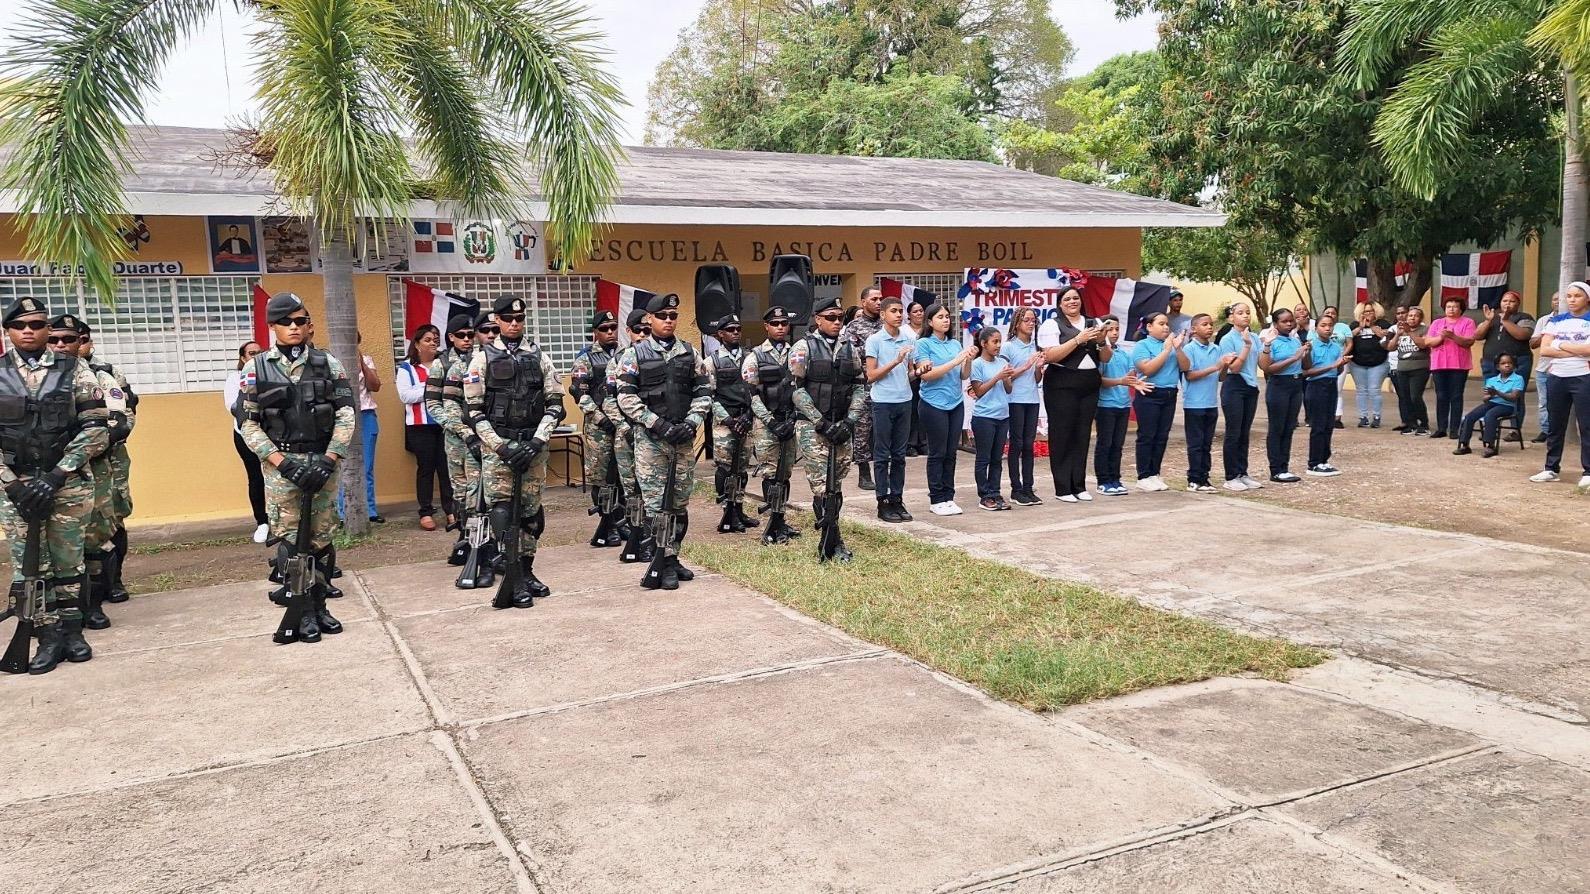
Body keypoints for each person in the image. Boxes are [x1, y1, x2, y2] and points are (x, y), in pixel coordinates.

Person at [239, 293, 355, 644]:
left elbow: (346, 415)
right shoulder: (255, 368)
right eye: (286, 322)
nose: (294, 327)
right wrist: (282, 463)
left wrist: (330, 458)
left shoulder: (328, 363)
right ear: (272, 326)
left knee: (322, 538)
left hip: (322, 463)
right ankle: (300, 609)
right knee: (291, 540)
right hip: (281, 469)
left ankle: (319, 606)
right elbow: (248, 425)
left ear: (308, 325)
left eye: (300, 321)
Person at [0, 298, 109, 673]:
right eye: (20, 325)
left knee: (69, 562)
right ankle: (47, 637)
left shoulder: (74, 369)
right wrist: (12, 484)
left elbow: (96, 429)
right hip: (15, 489)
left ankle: (73, 633)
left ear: (47, 329)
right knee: (32, 567)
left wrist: (56, 475)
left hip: (66, 484)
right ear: (8, 331)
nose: (28, 331)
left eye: (36, 324)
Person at [464, 295, 566, 606]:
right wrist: (501, 447)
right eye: (507, 318)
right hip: (499, 449)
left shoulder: (539, 356)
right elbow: (473, 411)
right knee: (503, 512)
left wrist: (537, 441)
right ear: (496, 320)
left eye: (519, 319)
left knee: (531, 514)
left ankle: (527, 570)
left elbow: (555, 405)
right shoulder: (481, 359)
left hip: (533, 446)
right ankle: (512, 573)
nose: (514, 324)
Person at [615, 293, 712, 589]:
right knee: (657, 505)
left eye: (673, 316)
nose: (668, 321)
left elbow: (704, 391)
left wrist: (691, 422)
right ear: (650, 319)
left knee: (679, 503)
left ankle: (673, 556)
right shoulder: (634, 355)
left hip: (682, 439)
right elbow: (625, 397)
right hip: (651, 441)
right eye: (662, 316)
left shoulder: (689, 353)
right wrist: (656, 423)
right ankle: (662, 558)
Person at [50, 316, 129, 632]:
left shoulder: (102, 376)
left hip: (95, 467)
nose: (61, 345)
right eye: (54, 339)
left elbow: (119, 422)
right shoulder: (34, 377)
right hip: (51, 471)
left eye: (71, 339)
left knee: (97, 535)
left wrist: (82, 448)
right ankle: (58, 611)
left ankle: (94, 603)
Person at [791, 296, 866, 560]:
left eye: (840, 318)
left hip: (842, 425)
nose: (837, 323)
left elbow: (859, 386)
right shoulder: (803, 347)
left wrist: (850, 421)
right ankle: (830, 539)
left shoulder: (849, 348)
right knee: (822, 486)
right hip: (813, 428)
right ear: (818, 319)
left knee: (837, 483)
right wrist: (820, 422)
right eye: (831, 318)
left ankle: (832, 537)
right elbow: (797, 390)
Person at [1038, 286, 1107, 502]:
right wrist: (1078, 339)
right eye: (1067, 299)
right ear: (1060, 304)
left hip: (1089, 383)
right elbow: (1050, 356)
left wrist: (1101, 340)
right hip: (1062, 382)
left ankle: (1079, 485)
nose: (1072, 302)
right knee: (1062, 434)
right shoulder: (1052, 324)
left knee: (1082, 434)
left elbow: (1105, 357)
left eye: (1075, 298)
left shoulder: (1093, 322)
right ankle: (1063, 487)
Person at [427, 314, 486, 562]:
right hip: (455, 439)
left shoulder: (481, 359)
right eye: (461, 335)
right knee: (460, 491)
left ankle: (480, 543)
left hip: (480, 435)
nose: (467, 340)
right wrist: (456, 427)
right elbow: (433, 404)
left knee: (478, 490)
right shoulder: (441, 364)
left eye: (470, 335)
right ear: (451, 337)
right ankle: (464, 539)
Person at [743, 306, 802, 544]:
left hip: (789, 420)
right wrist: (770, 421)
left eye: (784, 323)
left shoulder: (797, 353)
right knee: (770, 471)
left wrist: (793, 418)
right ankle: (773, 521)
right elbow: (751, 395)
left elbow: (802, 388)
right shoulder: (755, 356)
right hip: (766, 424)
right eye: (775, 324)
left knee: (785, 472)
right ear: (766, 326)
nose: (780, 327)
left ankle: (781, 518)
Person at [914, 302, 976, 515]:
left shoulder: (955, 344)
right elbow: (927, 375)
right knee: (937, 452)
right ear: (930, 322)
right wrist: (956, 361)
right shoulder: (923, 344)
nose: (946, 320)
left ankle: (949, 497)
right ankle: (936, 498)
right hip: (933, 404)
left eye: (947, 316)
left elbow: (964, 375)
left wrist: (968, 360)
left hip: (955, 403)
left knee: (951, 452)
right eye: (940, 317)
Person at [571, 310, 625, 547]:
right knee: (601, 478)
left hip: (622, 425)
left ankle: (622, 521)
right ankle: (607, 523)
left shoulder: (626, 354)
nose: (610, 332)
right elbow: (579, 394)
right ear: (595, 332)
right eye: (604, 329)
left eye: (613, 327)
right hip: (599, 428)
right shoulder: (586, 358)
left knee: (623, 476)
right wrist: (601, 419)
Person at [1530, 281, 1590, 488]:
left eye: (1577, 296)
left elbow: (1588, 350)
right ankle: (1551, 468)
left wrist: (1560, 343)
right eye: (1569, 296)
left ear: (1587, 299)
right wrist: (1575, 349)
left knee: (1586, 425)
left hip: (1583, 377)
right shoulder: (1556, 321)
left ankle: (1588, 471)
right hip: (1557, 377)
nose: (1572, 300)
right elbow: (1545, 350)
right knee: (1555, 424)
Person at [864, 296, 917, 523]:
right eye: (894, 311)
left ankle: (897, 498)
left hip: (904, 400)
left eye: (900, 311)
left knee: (899, 455)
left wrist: (920, 371)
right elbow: (871, 375)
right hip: (883, 401)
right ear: (883, 314)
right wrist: (895, 361)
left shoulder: (909, 338)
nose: (898, 315)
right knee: (882, 454)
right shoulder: (875, 340)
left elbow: (910, 372)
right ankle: (882, 501)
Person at [396, 324, 451, 530]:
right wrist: (432, 390)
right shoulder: (407, 368)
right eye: (427, 340)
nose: (433, 343)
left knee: (447, 468)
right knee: (426, 469)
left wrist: (426, 390)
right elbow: (405, 396)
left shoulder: (444, 364)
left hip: (444, 424)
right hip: (420, 426)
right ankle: (426, 512)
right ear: (417, 344)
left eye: (435, 339)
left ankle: (451, 510)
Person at [707, 314, 755, 534]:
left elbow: (755, 390)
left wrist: (749, 416)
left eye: (738, 329)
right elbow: (708, 395)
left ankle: (739, 509)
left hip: (746, 420)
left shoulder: (750, 357)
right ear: (720, 334)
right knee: (725, 468)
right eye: (730, 329)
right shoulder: (712, 361)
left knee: (742, 468)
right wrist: (727, 419)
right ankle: (728, 510)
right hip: (725, 423)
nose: (735, 332)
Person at [611, 309, 653, 562]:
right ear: (628, 331)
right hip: (627, 434)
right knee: (632, 490)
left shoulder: (657, 358)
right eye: (638, 330)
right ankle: (637, 538)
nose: (643, 335)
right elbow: (609, 400)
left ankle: (650, 540)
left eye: (647, 330)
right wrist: (624, 427)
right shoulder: (619, 360)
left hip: (651, 434)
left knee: (652, 491)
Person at [1131, 312, 1186, 492]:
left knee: (1162, 436)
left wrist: (1178, 349)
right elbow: (1148, 369)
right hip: (1150, 394)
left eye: (1167, 324)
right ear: (1149, 327)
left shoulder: (1172, 344)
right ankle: (1143, 475)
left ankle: (1154, 473)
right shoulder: (1142, 345)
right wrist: (1166, 350)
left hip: (1170, 394)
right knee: (1147, 436)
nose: (1166, 327)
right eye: (1161, 324)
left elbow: (1186, 367)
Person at [1094, 316, 1149, 496]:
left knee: (1117, 445)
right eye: (1110, 329)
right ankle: (1103, 481)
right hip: (1105, 405)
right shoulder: (1099, 354)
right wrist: (1120, 381)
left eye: (1117, 329)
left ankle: (1115, 478)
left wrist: (1135, 382)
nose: (1114, 333)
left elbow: (1130, 376)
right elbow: (1098, 380)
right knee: (1105, 444)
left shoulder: (1125, 354)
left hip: (1123, 405)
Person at [839, 286, 884, 491]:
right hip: (863, 386)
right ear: (863, 302)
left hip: (886, 384)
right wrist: (875, 350)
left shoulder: (886, 325)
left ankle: (884, 470)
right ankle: (864, 473)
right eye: (874, 299)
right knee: (863, 430)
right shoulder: (854, 327)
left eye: (880, 299)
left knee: (884, 431)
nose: (878, 302)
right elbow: (850, 354)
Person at [1475, 290, 1535, 439]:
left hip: (1518, 362)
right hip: (1491, 363)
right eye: (1505, 301)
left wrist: (1506, 320)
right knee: (1491, 394)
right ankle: (1491, 429)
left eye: (1512, 301)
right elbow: (1477, 335)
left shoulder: (1524, 317)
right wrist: (1488, 321)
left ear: (1518, 304)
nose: (1507, 304)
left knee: (1516, 395)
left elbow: (1523, 335)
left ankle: (1514, 430)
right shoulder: (1492, 317)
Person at [225, 341, 270, 542]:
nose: (256, 356)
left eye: (260, 353)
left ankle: (282, 519)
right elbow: (234, 407)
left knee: (278, 476)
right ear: (243, 358)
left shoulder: (271, 374)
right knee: (256, 477)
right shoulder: (235, 378)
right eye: (252, 353)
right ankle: (262, 522)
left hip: (273, 434)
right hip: (245, 434)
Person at [338, 330, 383, 523]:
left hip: (366, 415)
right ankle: (343, 512)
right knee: (344, 466)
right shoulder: (333, 361)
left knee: (367, 465)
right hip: (343, 417)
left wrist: (362, 363)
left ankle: (370, 510)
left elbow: (375, 386)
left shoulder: (367, 360)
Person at [1217, 302, 1263, 491]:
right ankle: (1231, 476)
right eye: (1240, 313)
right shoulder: (1227, 339)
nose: (1245, 316)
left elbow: (1262, 363)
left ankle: (1242, 472)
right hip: (1234, 385)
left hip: (1251, 386)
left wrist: (1268, 345)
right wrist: (1246, 346)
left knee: (1245, 432)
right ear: (1231, 317)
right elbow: (1234, 368)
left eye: (1247, 312)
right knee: (1233, 432)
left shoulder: (1254, 337)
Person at [968, 328, 1015, 510]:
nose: (998, 345)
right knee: (983, 458)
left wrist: (1007, 378)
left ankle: (995, 492)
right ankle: (985, 495)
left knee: (997, 458)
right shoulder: (977, 364)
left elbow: (1009, 389)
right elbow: (978, 391)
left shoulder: (1002, 361)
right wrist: (997, 377)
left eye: (1000, 341)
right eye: (994, 341)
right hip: (984, 417)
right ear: (983, 343)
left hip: (1002, 416)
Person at [1001, 307, 1044, 506]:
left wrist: (1038, 368)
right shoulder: (1009, 346)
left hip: (1032, 399)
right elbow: (1006, 376)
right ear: (1017, 323)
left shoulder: (1036, 346)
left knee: (1029, 444)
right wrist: (1026, 365)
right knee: (1016, 444)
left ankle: (1028, 487)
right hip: (1015, 399)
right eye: (1026, 320)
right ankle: (1016, 489)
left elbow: (1036, 379)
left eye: (1033, 320)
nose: (1031, 323)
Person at [1260, 308, 1307, 483]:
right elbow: (1268, 368)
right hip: (1279, 385)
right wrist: (1294, 358)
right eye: (1284, 321)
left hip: (1296, 384)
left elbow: (1305, 365)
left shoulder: (1295, 340)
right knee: (1277, 428)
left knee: (1289, 427)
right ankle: (1275, 469)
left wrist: (1305, 353)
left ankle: (1284, 467)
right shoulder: (1271, 342)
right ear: (1275, 324)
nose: (1289, 324)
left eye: (1291, 321)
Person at [1180, 313, 1225, 493]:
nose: (1209, 327)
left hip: (1211, 403)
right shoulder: (1189, 349)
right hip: (1194, 404)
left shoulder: (1216, 349)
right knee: (1196, 444)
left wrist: (1225, 365)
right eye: (1204, 324)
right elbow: (1190, 375)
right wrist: (1216, 366)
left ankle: (1204, 478)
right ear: (1194, 329)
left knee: (1207, 444)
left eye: (1211, 324)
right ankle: (1193, 479)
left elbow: (1221, 376)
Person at [1301, 316, 1349, 476]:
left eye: (1330, 325)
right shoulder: (1311, 346)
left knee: (1329, 424)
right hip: (1316, 386)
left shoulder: (1335, 347)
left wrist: (1340, 365)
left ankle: (1324, 460)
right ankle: (1314, 463)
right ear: (1316, 328)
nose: (1327, 328)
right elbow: (1306, 371)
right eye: (1323, 325)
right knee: (1318, 426)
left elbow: (1338, 370)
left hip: (1331, 384)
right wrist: (1332, 366)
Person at [1424, 296, 1476, 438]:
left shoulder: (1468, 322)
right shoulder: (1437, 323)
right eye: (1448, 306)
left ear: (1461, 309)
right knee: (1441, 396)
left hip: (1459, 365)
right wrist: (1441, 337)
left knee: (1456, 396)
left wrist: (1453, 336)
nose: (1451, 309)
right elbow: (1428, 342)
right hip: (1439, 364)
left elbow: (1469, 342)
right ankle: (1441, 428)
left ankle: (1454, 429)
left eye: (1454, 307)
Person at [1455, 353, 1523, 457]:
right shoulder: (1492, 380)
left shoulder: (1518, 379)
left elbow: (1514, 397)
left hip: (1507, 406)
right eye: (1503, 363)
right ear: (1498, 367)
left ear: (1514, 365)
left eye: (1510, 363)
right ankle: (1464, 445)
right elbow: (1485, 399)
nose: (1507, 365)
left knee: (1490, 415)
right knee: (1470, 416)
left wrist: (1497, 392)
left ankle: (1490, 446)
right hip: (1492, 403)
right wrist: (1490, 395)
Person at [1348, 303, 1391, 428]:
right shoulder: (1354, 324)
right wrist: (1360, 327)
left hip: (1378, 362)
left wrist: (1372, 326)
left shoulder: (1383, 323)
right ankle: (1363, 417)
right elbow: (1347, 337)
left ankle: (1376, 416)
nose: (1368, 314)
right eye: (1365, 311)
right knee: (1361, 390)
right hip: (1357, 363)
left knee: (1374, 389)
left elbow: (1385, 336)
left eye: (1371, 311)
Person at [1392, 306, 1432, 435]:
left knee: (1415, 396)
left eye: (1416, 316)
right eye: (1410, 315)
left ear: (1420, 318)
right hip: (1402, 368)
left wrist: (1409, 332)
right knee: (1405, 397)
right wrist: (1398, 334)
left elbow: (1422, 344)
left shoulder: (1425, 329)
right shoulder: (1401, 330)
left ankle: (1424, 423)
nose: (1412, 318)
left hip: (1419, 368)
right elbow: (1390, 347)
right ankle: (1412, 424)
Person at [1529, 292, 1562, 443]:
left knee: (1564, 403)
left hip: (1564, 369)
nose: (1557, 302)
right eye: (1555, 299)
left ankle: (1561, 431)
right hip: (1544, 369)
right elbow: (1533, 344)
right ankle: (1546, 430)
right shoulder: (1544, 320)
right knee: (1544, 402)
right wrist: (1548, 332)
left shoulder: (1575, 321)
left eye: (1561, 299)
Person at [905, 299, 929, 456]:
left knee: (924, 408)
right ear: (909, 315)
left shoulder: (928, 329)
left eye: (921, 310)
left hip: (927, 372)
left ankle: (924, 442)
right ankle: (911, 443)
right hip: (912, 373)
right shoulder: (904, 330)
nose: (919, 313)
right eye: (915, 311)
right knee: (913, 409)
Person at [1384, 306, 1409, 431]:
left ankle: (1417, 420)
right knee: (1402, 395)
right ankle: (1405, 421)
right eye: (1398, 313)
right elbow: (1385, 344)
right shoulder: (1392, 329)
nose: (1401, 315)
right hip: (1395, 366)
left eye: (1403, 313)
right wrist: (1393, 336)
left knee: (1413, 395)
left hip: (1413, 366)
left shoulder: (1419, 327)